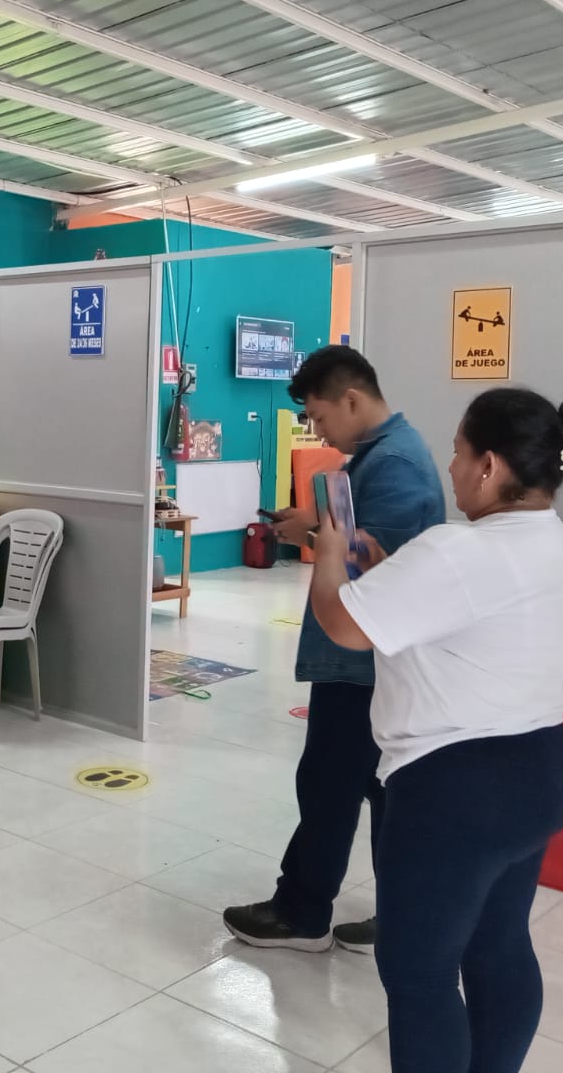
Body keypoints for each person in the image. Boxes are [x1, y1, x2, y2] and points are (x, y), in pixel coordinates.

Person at [306, 389, 563, 1073]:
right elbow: (467, 622)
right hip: (542, 772)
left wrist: (328, 555)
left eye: (458, 452)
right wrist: (382, 575)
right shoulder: (559, 546)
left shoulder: (458, 548)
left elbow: (343, 626)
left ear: (489, 466)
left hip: (458, 789)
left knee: (418, 972)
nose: (450, 467)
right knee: (498, 944)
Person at [224, 346, 445, 954]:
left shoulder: (395, 464)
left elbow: (382, 565)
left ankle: (302, 913)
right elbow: (360, 540)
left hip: (363, 664)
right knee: (370, 787)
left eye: (320, 417)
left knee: (330, 783)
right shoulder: (378, 456)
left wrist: (314, 535)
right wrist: (315, 527)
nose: (318, 432)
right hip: (367, 659)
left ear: (351, 399)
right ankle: (396, 916)